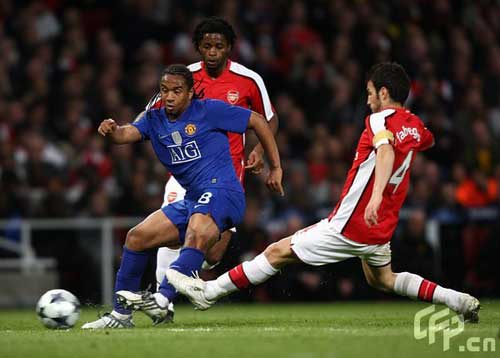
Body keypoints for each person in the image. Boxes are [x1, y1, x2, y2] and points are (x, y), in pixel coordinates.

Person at [166, 62, 481, 323]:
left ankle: (209, 292)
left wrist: (373, 196)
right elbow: (428, 140)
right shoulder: (414, 125)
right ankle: (456, 299)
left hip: (352, 222)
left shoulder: (378, 118)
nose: (368, 99)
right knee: (382, 280)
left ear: (383, 93)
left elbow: (384, 152)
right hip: (382, 227)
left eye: (370, 93)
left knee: (278, 252)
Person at [81, 64, 283, 329]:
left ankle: (162, 300)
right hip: (193, 199)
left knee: (197, 232)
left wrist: (275, 166)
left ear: (190, 93)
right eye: (165, 90)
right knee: (137, 237)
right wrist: (112, 129)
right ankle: (120, 316)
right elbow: (126, 134)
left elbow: (257, 119)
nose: (170, 96)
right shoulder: (155, 120)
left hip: (224, 192)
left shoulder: (209, 110)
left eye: (177, 91)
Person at [147, 17, 278, 320]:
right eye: (207, 46)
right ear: (198, 48)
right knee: (171, 234)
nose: (213, 52)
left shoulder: (248, 79)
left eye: (219, 46)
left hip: (226, 175)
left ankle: (180, 281)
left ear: (230, 48)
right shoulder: (184, 78)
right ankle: (161, 301)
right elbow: (152, 113)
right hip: (186, 171)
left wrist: (258, 149)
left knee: (213, 254)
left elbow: (269, 119)